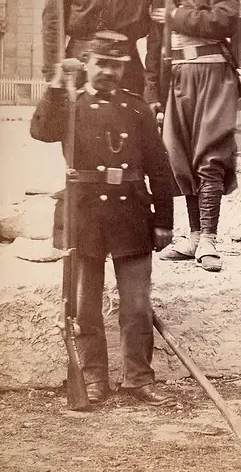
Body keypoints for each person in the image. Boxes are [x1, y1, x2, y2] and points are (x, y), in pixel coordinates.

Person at [30, 32, 178, 406]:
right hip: (85, 217)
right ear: (86, 65)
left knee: (137, 305)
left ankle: (138, 379)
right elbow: (40, 131)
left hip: (131, 215)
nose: (109, 72)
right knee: (85, 308)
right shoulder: (70, 105)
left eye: (116, 65)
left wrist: (164, 220)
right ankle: (94, 379)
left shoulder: (137, 109)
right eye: (101, 64)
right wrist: (57, 83)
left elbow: (160, 168)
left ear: (124, 68)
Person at [146, 0, 240, 274]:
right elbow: (156, 47)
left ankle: (211, 238)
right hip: (178, 76)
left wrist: (175, 14)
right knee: (181, 156)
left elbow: (223, 22)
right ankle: (195, 236)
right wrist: (153, 92)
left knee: (210, 154)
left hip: (213, 74)